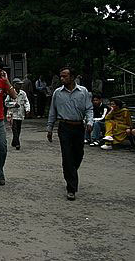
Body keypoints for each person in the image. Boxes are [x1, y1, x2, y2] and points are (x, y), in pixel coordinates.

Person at [47, 67, 93, 201]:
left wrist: (90, 122)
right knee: (67, 156)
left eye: (65, 76)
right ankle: (71, 188)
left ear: (72, 77)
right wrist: (49, 128)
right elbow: (52, 111)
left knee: (78, 155)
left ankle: (72, 171)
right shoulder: (58, 93)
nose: (62, 79)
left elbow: (89, 109)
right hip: (64, 127)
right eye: (61, 76)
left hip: (79, 126)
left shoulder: (83, 92)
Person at [4, 78, 30, 150]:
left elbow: (26, 102)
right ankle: (17, 143)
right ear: (14, 85)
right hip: (12, 114)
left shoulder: (23, 93)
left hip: (20, 113)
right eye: (18, 84)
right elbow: (6, 103)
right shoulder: (10, 93)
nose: (20, 86)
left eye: (21, 85)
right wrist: (13, 104)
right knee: (14, 128)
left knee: (18, 128)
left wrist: (27, 109)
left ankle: (14, 141)